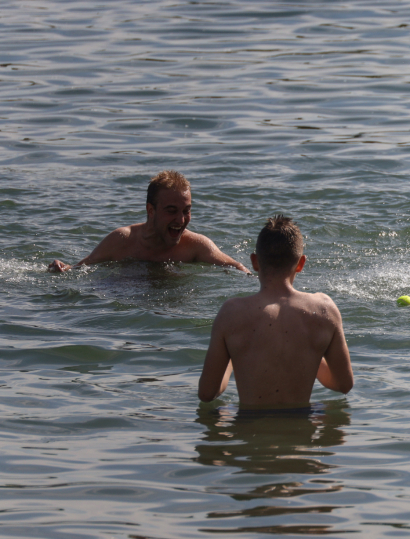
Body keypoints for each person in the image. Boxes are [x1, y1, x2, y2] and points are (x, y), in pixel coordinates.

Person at [198, 215, 354, 409]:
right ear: (301, 264)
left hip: (250, 427)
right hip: (300, 427)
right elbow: (344, 385)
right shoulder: (324, 309)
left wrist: (232, 361)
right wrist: (310, 357)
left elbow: (206, 393)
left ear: (255, 262)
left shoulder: (232, 313)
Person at [47, 171, 250, 273]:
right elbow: (78, 270)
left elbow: (240, 270)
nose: (180, 220)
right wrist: (60, 269)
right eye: (171, 211)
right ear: (150, 210)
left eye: (186, 211)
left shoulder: (195, 246)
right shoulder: (122, 240)